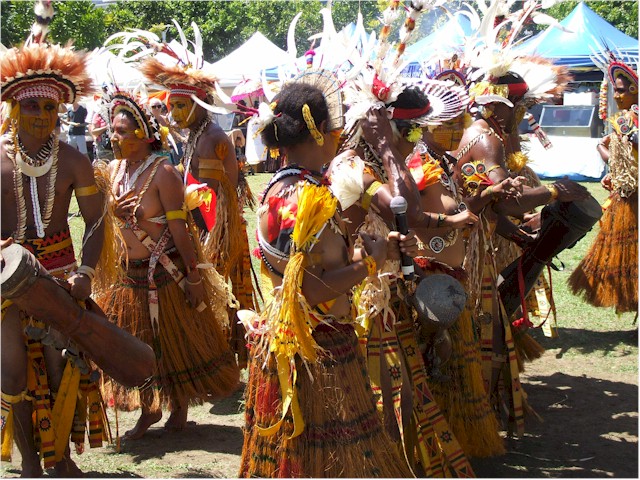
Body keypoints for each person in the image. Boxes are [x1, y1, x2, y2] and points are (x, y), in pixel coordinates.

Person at [239, 80, 416, 478]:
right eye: (332, 125)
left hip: (291, 344)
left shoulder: (278, 188)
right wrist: (368, 264)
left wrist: (366, 252)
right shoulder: (307, 196)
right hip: (317, 351)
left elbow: (304, 269)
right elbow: (311, 290)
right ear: (318, 130)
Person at [95, 90, 240, 440]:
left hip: (166, 273)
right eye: (113, 130)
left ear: (144, 135)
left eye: (123, 131)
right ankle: (150, 407)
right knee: (138, 343)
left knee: (172, 343)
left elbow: (181, 230)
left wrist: (192, 277)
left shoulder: (164, 173)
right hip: (128, 277)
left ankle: (178, 408)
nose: (115, 137)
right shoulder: (114, 171)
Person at [0, 32, 106, 477]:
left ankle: (59, 458)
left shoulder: (74, 160)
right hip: (7, 279)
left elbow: (98, 221)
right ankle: (28, 464)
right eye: (31, 106)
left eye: (49, 107)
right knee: (13, 374)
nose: (41, 116)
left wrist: (85, 271)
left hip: (59, 275)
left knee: (63, 367)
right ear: (13, 108)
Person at [138, 30, 256, 366]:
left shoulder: (210, 138)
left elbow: (211, 197)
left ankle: (223, 358)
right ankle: (224, 357)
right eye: (172, 105)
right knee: (221, 295)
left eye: (180, 106)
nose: (174, 113)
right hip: (210, 227)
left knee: (218, 293)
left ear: (199, 104)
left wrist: (200, 235)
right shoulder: (199, 134)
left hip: (217, 229)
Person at [569, 52, 638, 313]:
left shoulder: (630, 121)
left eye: (622, 92)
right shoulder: (623, 121)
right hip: (625, 196)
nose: (617, 96)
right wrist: (614, 168)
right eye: (616, 91)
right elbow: (609, 147)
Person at [89, 85, 114, 163]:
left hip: (117, 148)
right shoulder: (99, 114)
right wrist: (106, 127)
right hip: (104, 149)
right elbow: (93, 131)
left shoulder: (116, 113)